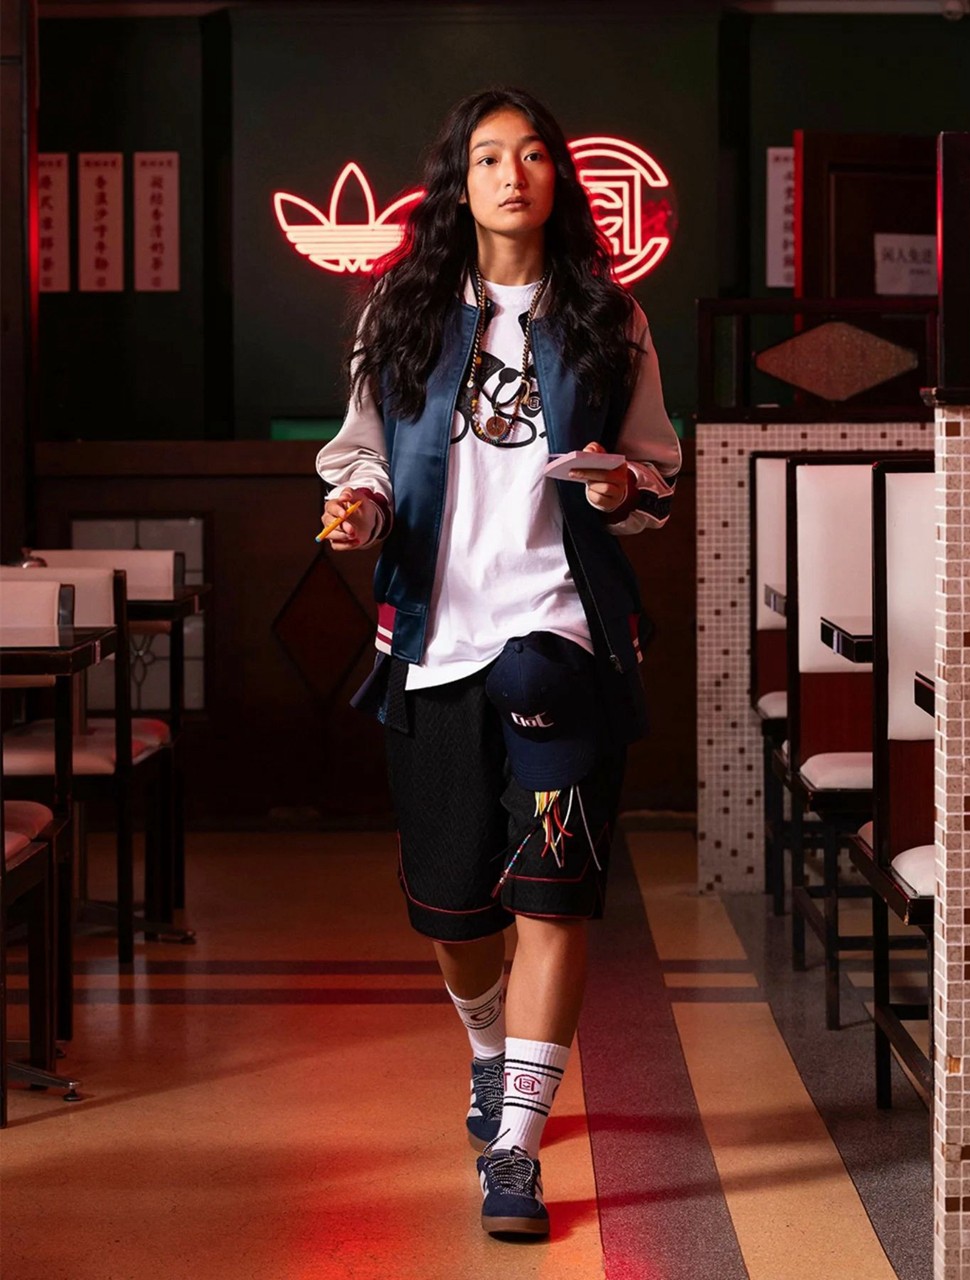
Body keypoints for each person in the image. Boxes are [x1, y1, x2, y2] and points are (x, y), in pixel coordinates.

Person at [316, 86, 681, 1239]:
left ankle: (515, 1145)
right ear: (459, 183)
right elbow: (363, 458)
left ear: (557, 177)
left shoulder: (608, 317)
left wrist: (621, 487)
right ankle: (486, 1046)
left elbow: (654, 473)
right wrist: (359, 508)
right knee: (451, 906)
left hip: (561, 639)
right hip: (434, 640)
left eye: (530, 154)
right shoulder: (403, 312)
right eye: (486, 157)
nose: (510, 173)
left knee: (555, 897)